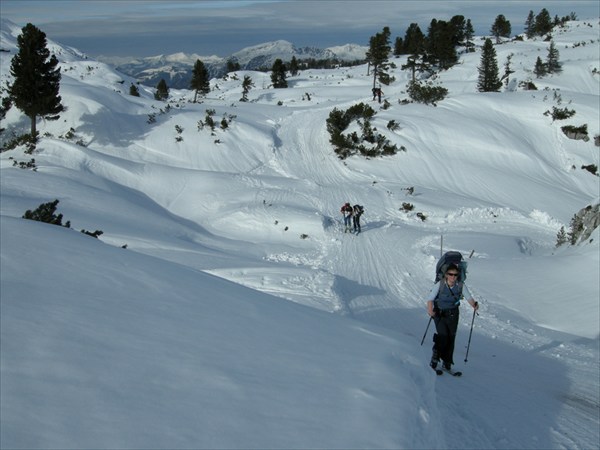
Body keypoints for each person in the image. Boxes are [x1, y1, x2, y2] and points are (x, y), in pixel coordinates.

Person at [426, 263, 478, 372]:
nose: (453, 277)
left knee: (451, 338)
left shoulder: (460, 285)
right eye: (450, 274)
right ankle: (435, 358)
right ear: (446, 274)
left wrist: (474, 305)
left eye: (455, 274)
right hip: (439, 314)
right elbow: (430, 298)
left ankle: (447, 362)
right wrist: (430, 311)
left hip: (453, 314)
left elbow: (468, 297)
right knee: (443, 336)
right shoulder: (440, 285)